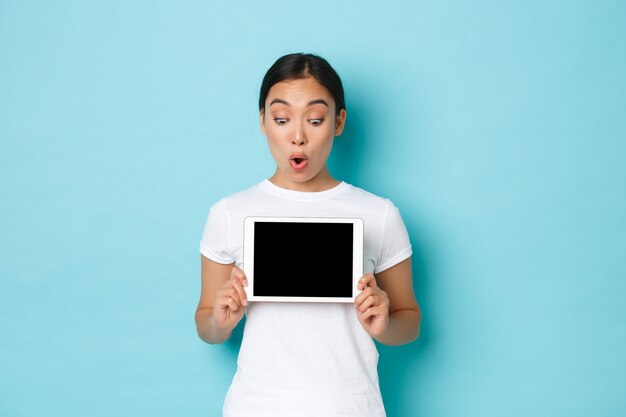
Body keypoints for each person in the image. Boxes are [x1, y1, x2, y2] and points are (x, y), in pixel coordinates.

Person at [195, 52, 421, 417]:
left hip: (353, 407)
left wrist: (385, 324)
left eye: (315, 120)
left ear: (338, 122)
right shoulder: (228, 213)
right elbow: (206, 325)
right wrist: (221, 320)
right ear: (263, 122)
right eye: (281, 119)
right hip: (256, 407)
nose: (297, 137)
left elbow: (409, 321)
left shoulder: (379, 214)